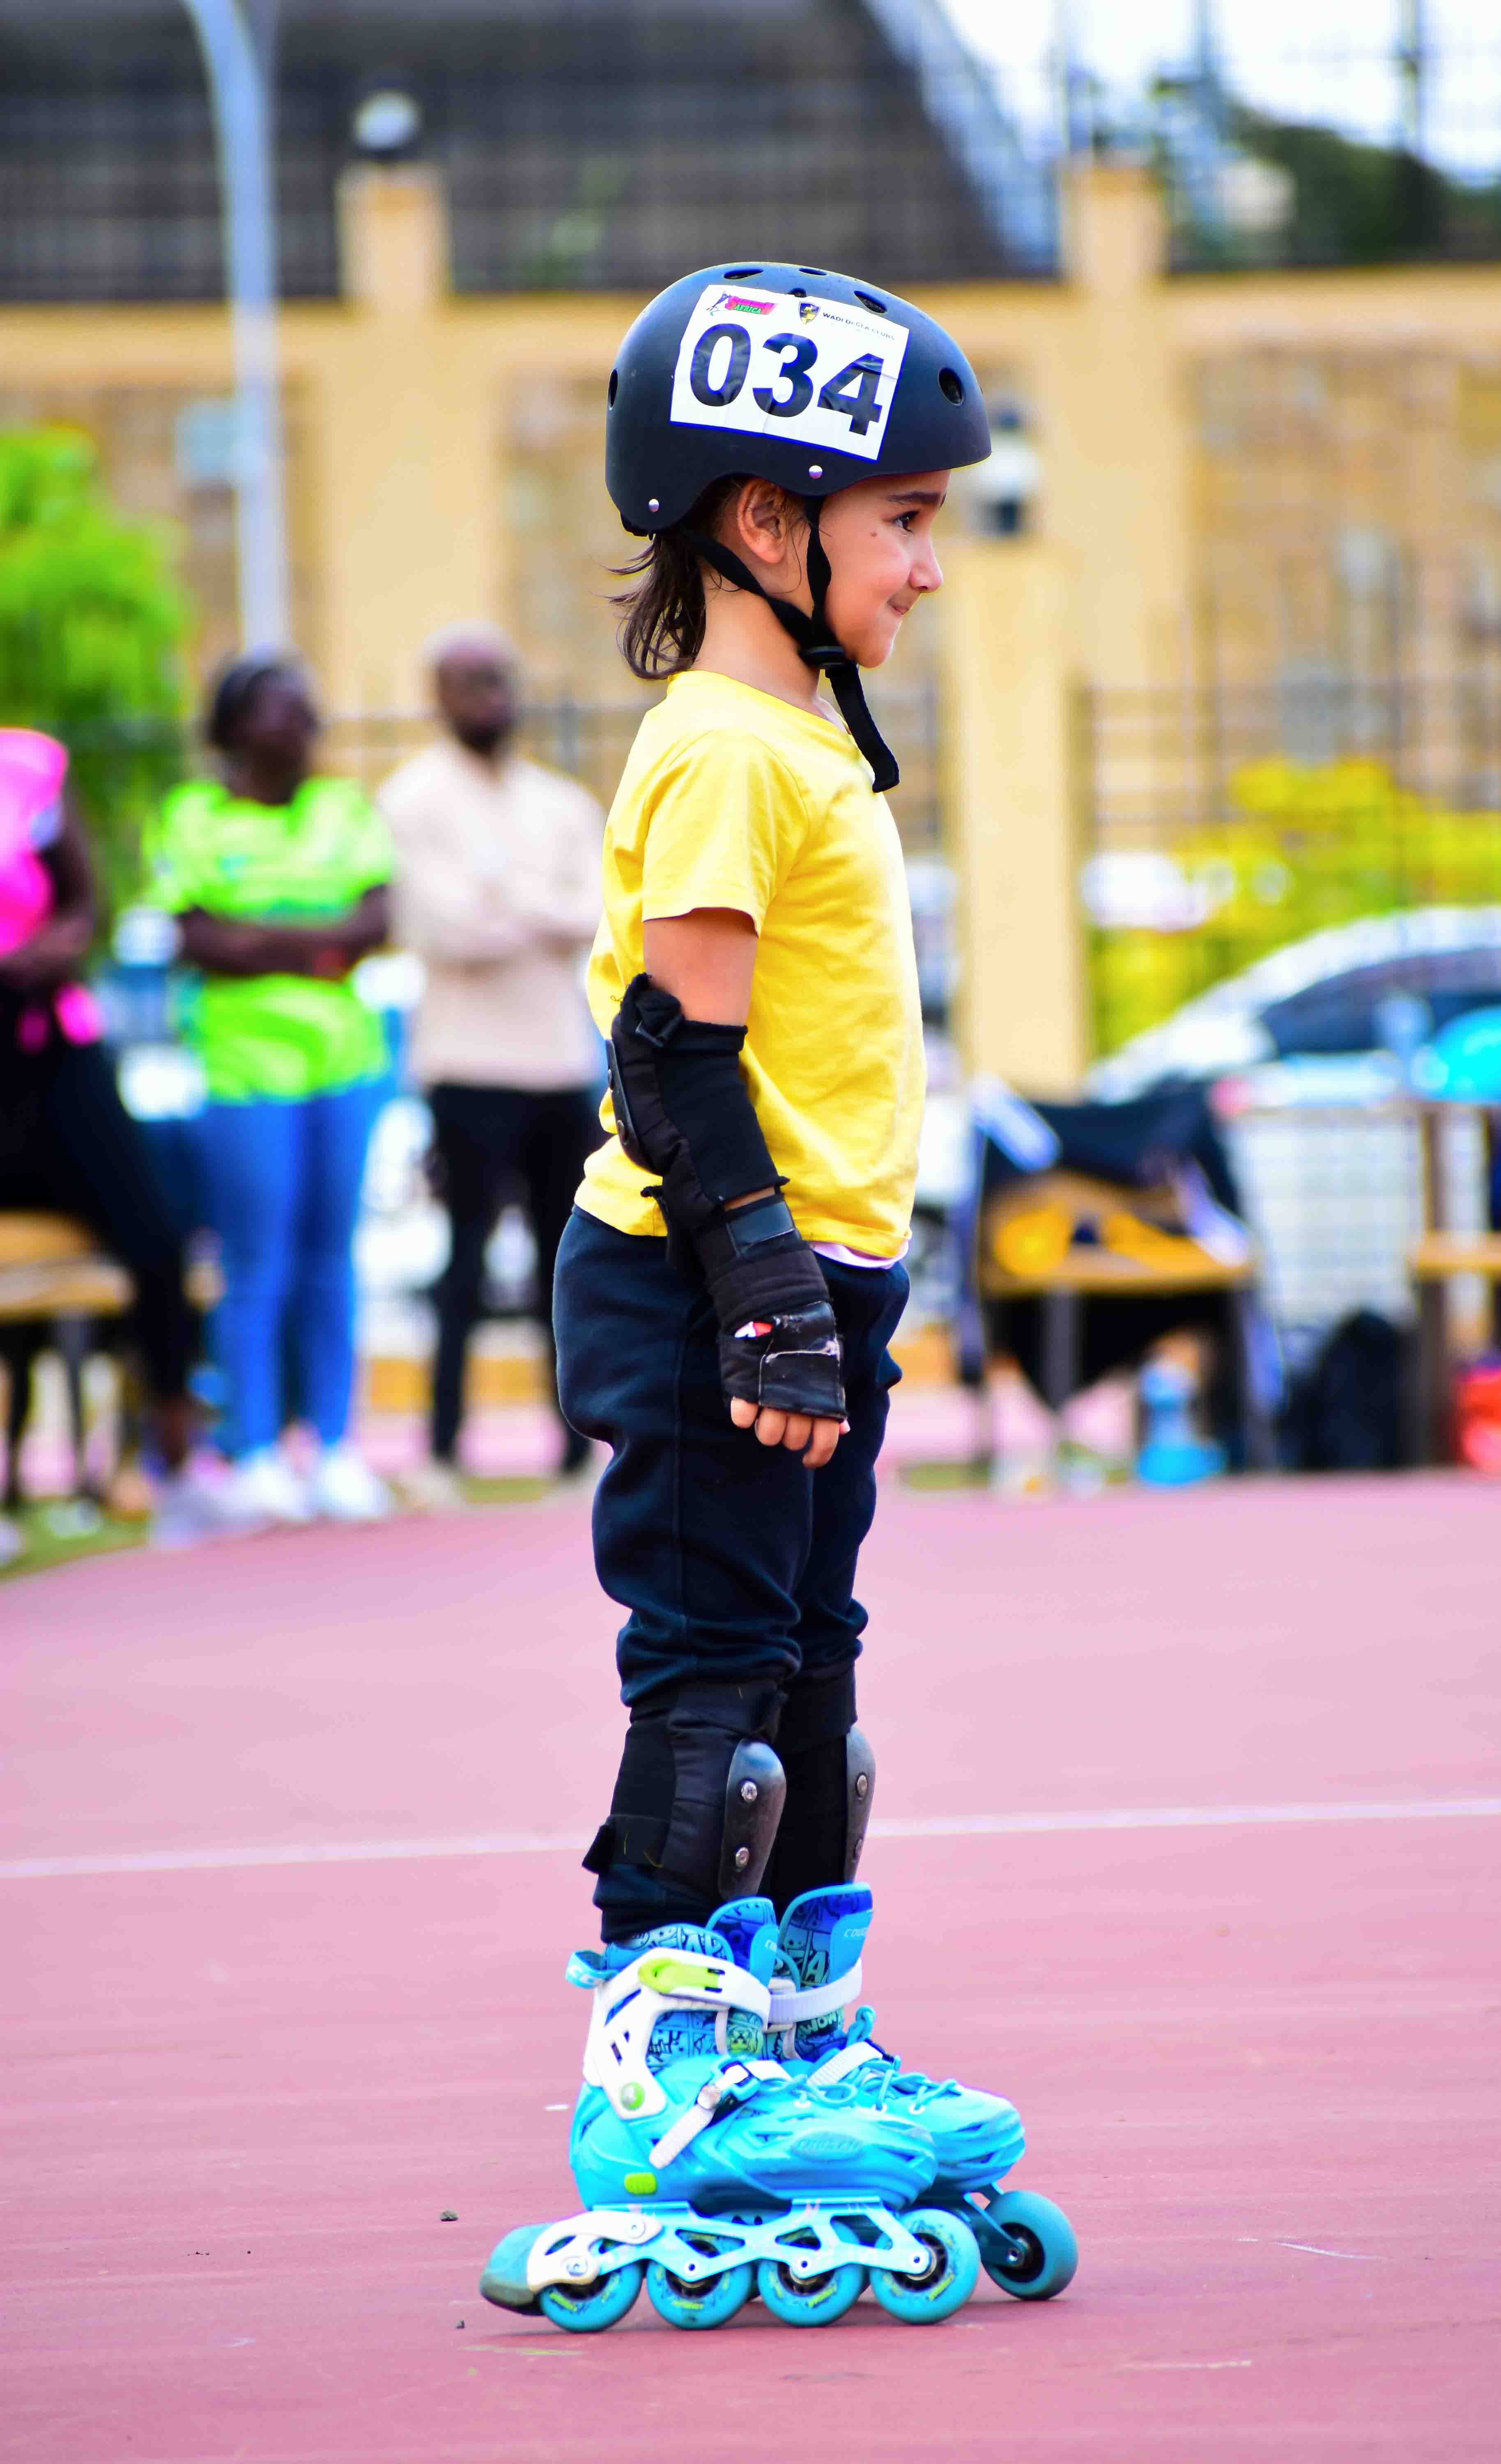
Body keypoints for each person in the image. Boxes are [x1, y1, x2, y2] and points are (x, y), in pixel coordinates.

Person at [481, 265, 1076, 2331]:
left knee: (813, 1676)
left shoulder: (800, 735)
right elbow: (667, 1049)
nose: (927, 558)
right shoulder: (724, 749)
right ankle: (656, 2081)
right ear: (765, 522)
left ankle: (802, 2040)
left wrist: (815, 1285)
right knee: (715, 1676)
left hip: (809, 1271)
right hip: (709, 1275)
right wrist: (758, 1296)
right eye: (898, 517)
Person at [147, 655, 395, 1524]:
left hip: (344, 1063)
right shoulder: (191, 816)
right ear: (231, 725)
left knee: (333, 1259)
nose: (295, 726)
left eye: (305, 711)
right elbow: (199, 938)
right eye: (274, 711)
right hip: (245, 1069)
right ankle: (252, 1450)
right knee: (257, 1262)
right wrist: (316, 946)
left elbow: (374, 923)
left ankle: (331, 1447)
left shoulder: (343, 808)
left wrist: (264, 939)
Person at [378, 623, 604, 1505]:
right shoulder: (409, 802)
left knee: (568, 1267)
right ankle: (440, 1452)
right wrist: (537, 911)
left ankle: (579, 1452)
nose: (489, 698)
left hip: (558, 1061)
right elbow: (444, 930)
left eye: (499, 679)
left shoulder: (563, 804)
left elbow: (598, 914)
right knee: (463, 1264)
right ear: (436, 695)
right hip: (466, 1066)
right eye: (468, 682)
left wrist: (508, 905)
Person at [0, 728, 230, 1547]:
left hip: (50, 1049)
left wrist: (42, 954)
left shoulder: (28, 767)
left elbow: (82, 907)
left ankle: (175, 1465)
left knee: (157, 1240)